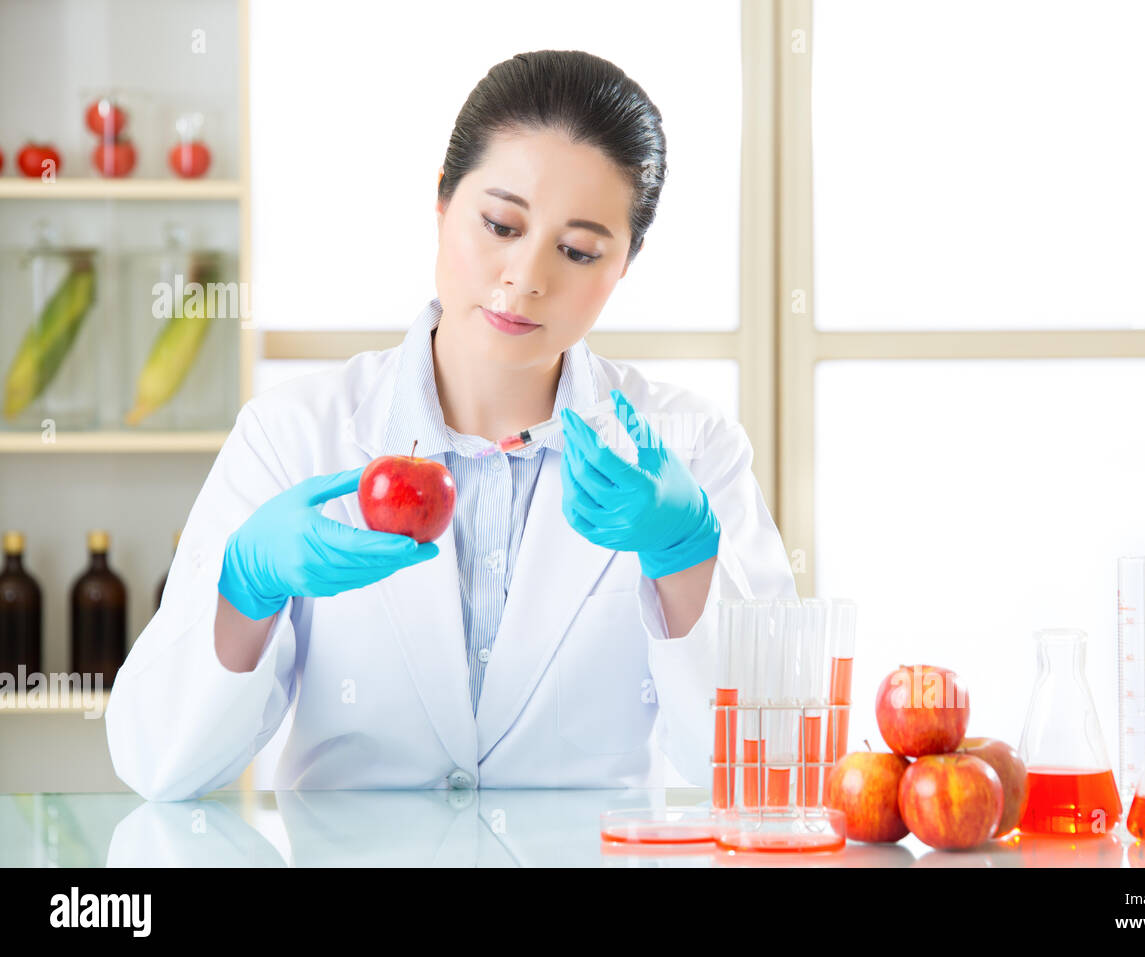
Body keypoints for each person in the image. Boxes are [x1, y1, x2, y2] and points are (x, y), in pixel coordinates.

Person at [105, 50, 796, 802]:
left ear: (625, 262)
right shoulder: (293, 435)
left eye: (579, 250)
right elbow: (158, 763)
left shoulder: (689, 449)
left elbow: (771, 769)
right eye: (500, 223)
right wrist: (244, 592)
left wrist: (687, 559)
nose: (527, 276)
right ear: (441, 204)